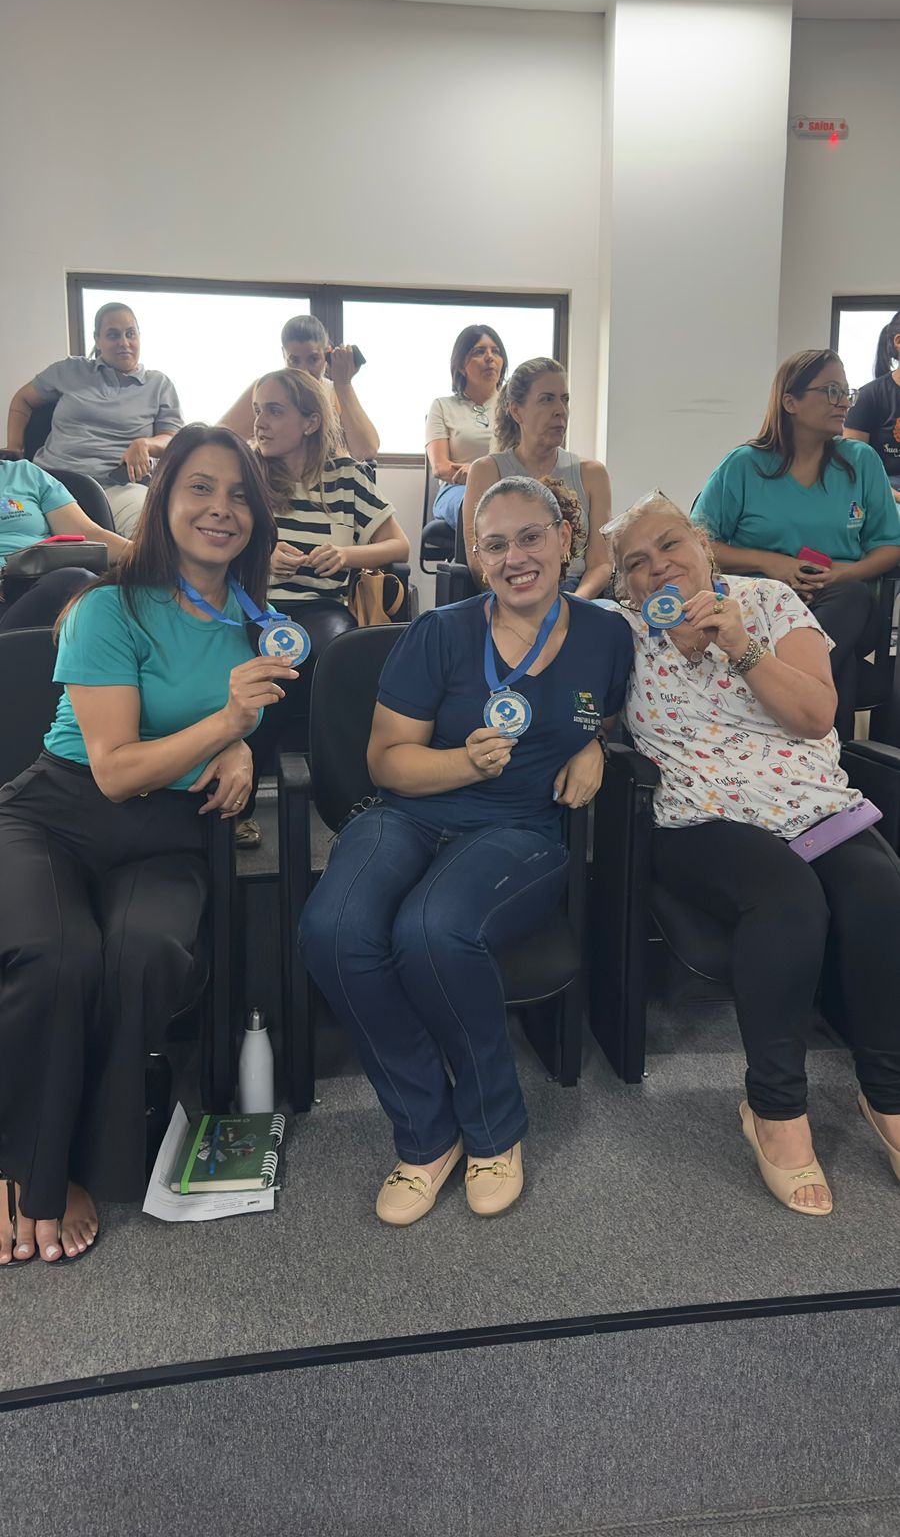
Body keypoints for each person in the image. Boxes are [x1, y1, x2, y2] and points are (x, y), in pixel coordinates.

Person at [299, 476, 633, 1225]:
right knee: (332, 929)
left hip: (519, 828)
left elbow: (603, 713)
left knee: (433, 929)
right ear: (478, 559)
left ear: (564, 539)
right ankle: (426, 1131)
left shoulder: (607, 634)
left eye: (531, 537)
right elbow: (387, 763)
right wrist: (463, 764)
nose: (516, 557)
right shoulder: (440, 632)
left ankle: (492, 1127)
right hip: (408, 813)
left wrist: (595, 747)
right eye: (496, 545)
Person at [0, 425, 295, 1265]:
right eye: (200, 487)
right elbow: (116, 769)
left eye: (239, 495)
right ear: (163, 500)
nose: (221, 508)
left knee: (143, 955)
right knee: (56, 958)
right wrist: (227, 726)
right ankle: (24, 1166)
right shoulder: (107, 607)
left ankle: (92, 1160)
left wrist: (242, 746)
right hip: (58, 812)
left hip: (167, 830)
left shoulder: (259, 624)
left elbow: (251, 726)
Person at [605, 491, 900, 1219]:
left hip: (809, 802)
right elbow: (576, 693)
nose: (657, 567)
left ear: (705, 548)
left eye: (670, 545)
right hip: (701, 815)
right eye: (636, 563)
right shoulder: (621, 629)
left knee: (881, 891)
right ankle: (775, 1108)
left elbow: (816, 715)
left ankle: (888, 1093)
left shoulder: (768, 602)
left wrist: (741, 645)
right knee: (788, 901)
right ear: (625, 585)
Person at [237, 367, 408, 847]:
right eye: (258, 410)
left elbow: (399, 545)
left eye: (274, 411)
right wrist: (261, 555)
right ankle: (241, 805)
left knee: (338, 652)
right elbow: (218, 544)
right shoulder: (247, 472)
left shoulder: (347, 477)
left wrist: (347, 556)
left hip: (321, 609)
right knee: (271, 662)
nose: (260, 422)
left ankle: (351, 804)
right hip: (254, 607)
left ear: (311, 422)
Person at [693, 349, 900, 738]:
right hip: (760, 612)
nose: (844, 402)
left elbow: (891, 545)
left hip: (841, 604)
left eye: (847, 392)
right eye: (831, 391)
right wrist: (770, 563)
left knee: (851, 599)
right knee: (841, 664)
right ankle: (832, 757)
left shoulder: (861, 462)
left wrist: (843, 573)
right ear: (790, 401)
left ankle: (762, 700)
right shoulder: (744, 465)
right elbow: (698, 546)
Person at [4, 303, 183, 539]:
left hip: (118, 487)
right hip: (51, 482)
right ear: (97, 340)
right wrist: (15, 446)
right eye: (113, 335)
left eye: (130, 333)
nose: (124, 342)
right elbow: (23, 399)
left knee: (152, 533)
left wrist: (145, 444)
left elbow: (173, 439)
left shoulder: (158, 384)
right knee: (16, 530)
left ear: (139, 336)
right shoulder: (70, 370)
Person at [462, 358, 612, 599]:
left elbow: (601, 564)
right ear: (516, 411)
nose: (560, 410)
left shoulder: (592, 474)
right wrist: (526, 603)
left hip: (575, 595)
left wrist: (572, 606)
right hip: (512, 590)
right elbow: (478, 560)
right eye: (547, 399)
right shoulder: (487, 471)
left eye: (564, 399)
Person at [220, 315, 380, 463]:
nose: (303, 371)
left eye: (313, 359)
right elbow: (221, 440)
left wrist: (343, 385)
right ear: (283, 355)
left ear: (327, 355)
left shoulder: (336, 392)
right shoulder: (264, 391)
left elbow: (366, 451)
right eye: (294, 361)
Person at [0, 453, 130, 631]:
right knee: (76, 584)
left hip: (44, 581)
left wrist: (152, 554)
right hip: (10, 594)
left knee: (89, 587)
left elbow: (89, 533)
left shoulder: (24, 473)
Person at [425, 324, 508, 531]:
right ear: (461, 365)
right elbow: (440, 467)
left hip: (506, 486)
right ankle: (477, 555)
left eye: (495, 351)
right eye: (479, 352)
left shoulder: (514, 408)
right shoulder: (442, 406)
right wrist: (476, 475)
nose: (489, 357)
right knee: (479, 505)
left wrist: (480, 472)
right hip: (457, 488)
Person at [845, 310, 900, 489]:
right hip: (884, 489)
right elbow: (853, 466)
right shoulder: (869, 397)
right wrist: (892, 495)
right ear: (898, 341)